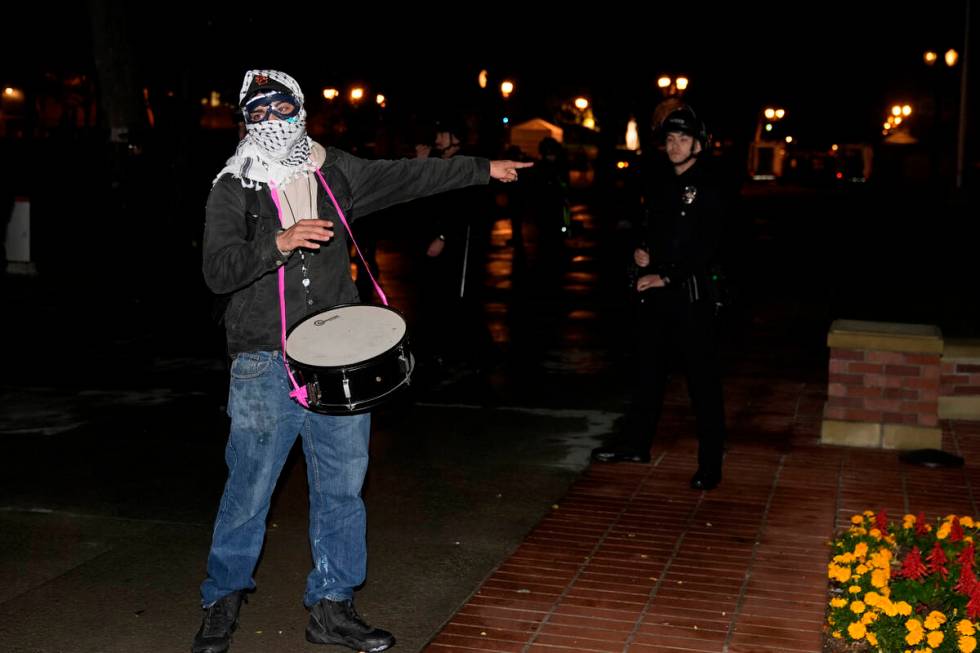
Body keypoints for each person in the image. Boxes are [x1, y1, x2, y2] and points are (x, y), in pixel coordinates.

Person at [195, 69, 530, 653]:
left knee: (342, 490)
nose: (271, 122)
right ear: (245, 122)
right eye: (258, 113)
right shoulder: (233, 186)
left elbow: (408, 175)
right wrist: (277, 242)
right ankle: (221, 602)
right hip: (262, 365)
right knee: (248, 490)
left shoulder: (335, 170)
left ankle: (333, 606)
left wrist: (480, 168)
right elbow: (216, 271)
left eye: (280, 110)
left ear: (299, 112)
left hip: (338, 359)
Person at [590, 105, 727, 492]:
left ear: (699, 143)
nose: (675, 146)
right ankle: (635, 445)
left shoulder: (711, 186)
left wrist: (667, 274)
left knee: (702, 383)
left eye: (683, 139)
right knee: (647, 372)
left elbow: (708, 246)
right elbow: (655, 232)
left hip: (692, 298)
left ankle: (710, 463)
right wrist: (643, 255)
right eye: (670, 139)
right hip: (657, 297)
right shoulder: (663, 184)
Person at [413, 119, 495, 379]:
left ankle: (476, 353)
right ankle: (445, 351)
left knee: (460, 299)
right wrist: (421, 165)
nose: (438, 139)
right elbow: (422, 197)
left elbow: (460, 208)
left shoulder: (463, 163)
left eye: (443, 134)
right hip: (437, 240)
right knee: (438, 298)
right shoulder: (439, 161)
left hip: (459, 245)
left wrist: (442, 236)